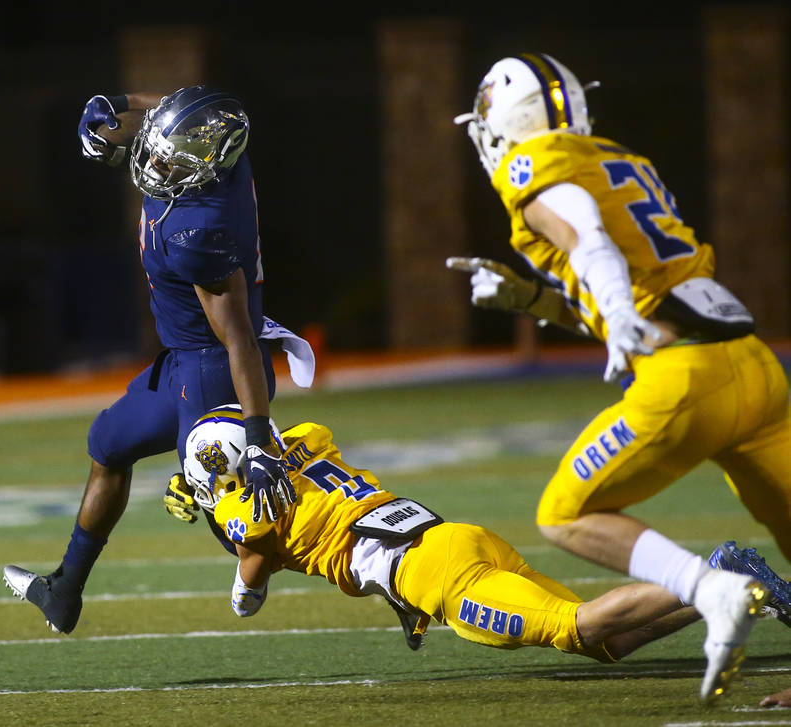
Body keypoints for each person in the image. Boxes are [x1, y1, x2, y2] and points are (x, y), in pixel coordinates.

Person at [444, 53, 791, 701]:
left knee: (565, 513)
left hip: (686, 377)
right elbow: (620, 290)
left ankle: (710, 587)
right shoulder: (618, 159)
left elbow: (588, 237)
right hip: (754, 367)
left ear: (507, 122)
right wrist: (536, 301)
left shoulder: (536, 162)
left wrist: (614, 300)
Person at [177, 405, 770, 703]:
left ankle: (717, 575)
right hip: (454, 536)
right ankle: (734, 597)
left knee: (576, 625)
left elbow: (248, 587)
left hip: (434, 570)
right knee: (608, 643)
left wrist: (235, 567)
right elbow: (309, 522)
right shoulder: (305, 444)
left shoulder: (248, 510)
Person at [4, 87, 313, 635]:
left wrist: (259, 435)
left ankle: (351, 560)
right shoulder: (215, 159)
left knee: (234, 521)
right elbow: (176, 105)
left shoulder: (200, 230)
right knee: (108, 445)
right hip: (179, 363)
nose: (153, 162)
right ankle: (65, 591)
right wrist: (118, 103)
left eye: (168, 158)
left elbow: (239, 336)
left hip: (215, 369)